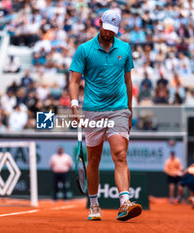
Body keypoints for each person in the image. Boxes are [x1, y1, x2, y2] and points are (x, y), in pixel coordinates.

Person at [69, 9, 142, 221]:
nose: (108, 33)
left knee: (120, 154)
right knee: (93, 159)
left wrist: (129, 111)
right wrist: (75, 106)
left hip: (119, 109)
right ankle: (94, 205)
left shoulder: (125, 49)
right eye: (105, 28)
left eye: (112, 31)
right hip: (92, 110)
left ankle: (124, 203)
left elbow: (128, 82)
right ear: (99, 23)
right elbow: (74, 81)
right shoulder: (84, 49)